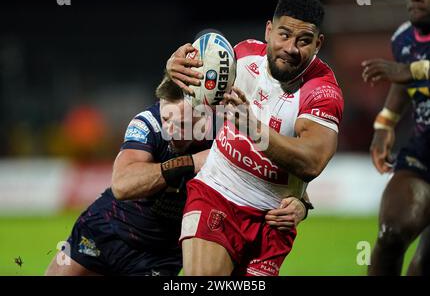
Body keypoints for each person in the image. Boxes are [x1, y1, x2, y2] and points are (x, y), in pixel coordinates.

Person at [45, 77, 309, 276]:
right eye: (167, 119)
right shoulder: (147, 123)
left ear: (204, 120)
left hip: (162, 256)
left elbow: (279, 175)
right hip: (106, 229)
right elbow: (122, 186)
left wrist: (301, 205)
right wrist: (191, 162)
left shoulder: (226, 134)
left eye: (181, 124)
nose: (170, 130)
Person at [166, 0, 344, 276]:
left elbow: (311, 162)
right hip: (217, 191)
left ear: (318, 44)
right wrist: (174, 70)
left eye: (304, 41)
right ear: (268, 30)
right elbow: (185, 95)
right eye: (284, 35)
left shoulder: (322, 92)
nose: (291, 48)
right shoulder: (242, 55)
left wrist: (253, 129)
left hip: (274, 220)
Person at [362, 0, 430, 276]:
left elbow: (408, 73)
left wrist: (410, 69)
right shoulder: (404, 38)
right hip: (422, 155)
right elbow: (403, 83)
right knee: (390, 234)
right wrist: (384, 123)